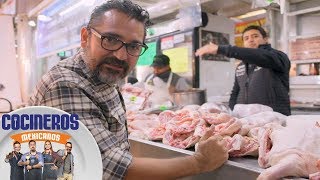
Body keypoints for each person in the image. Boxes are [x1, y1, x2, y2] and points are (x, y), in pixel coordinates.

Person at [29, 0, 228, 179]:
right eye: (110, 39)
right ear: (85, 37)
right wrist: (200, 162)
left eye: (133, 46)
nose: (121, 56)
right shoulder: (65, 84)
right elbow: (105, 165)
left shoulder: (102, 76)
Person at [195, 25, 291, 116]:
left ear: (265, 39)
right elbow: (236, 91)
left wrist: (222, 49)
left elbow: (260, 56)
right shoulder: (241, 65)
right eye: (246, 38)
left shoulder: (277, 57)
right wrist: (231, 111)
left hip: (275, 117)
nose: (250, 40)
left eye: (255, 36)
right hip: (247, 119)